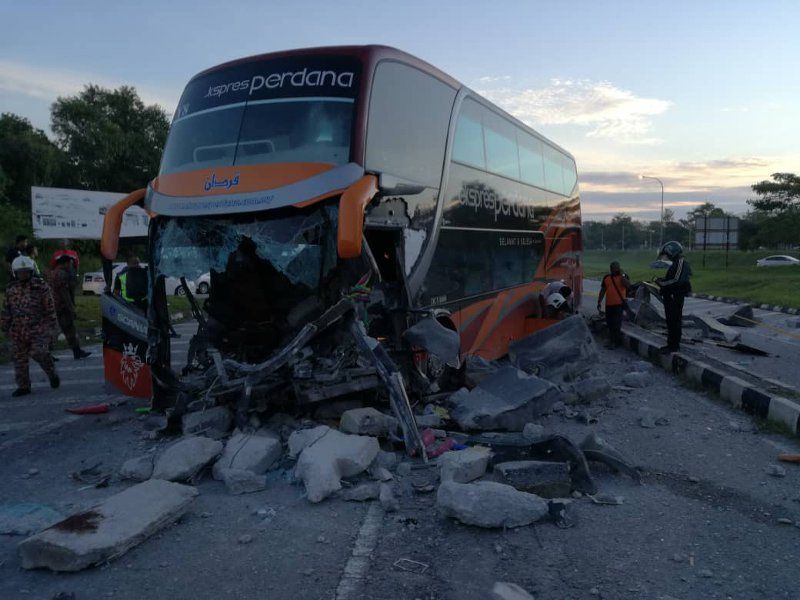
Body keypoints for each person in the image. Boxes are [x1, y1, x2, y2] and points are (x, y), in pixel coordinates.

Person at [1, 256, 60, 397]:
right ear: (15, 273)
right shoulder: (11, 289)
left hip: (38, 328)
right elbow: (6, 309)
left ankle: (51, 373)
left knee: (38, 352)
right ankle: (24, 386)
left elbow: (50, 309)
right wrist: (4, 325)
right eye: (20, 272)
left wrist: (52, 328)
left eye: (26, 271)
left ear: (31, 271)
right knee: (19, 359)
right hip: (18, 330)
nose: (23, 274)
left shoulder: (41, 287)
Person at [51, 255, 92, 360]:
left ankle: (76, 351)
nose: (71, 266)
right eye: (69, 263)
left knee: (63, 329)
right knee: (67, 329)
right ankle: (76, 351)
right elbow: (65, 293)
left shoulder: (54, 272)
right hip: (62, 306)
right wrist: (71, 308)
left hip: (55, 305)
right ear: (64, 263)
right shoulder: (61, 274)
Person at [655, 241, 692, 354]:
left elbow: (676, 280)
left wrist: (661, 283)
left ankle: (673, 346)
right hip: (671, 296)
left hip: (675, 297)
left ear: (672, 252)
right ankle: (671, 344)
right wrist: (663, 280)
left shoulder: (681, 262)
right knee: (671, 321)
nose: (667, 256)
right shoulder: (677, 263)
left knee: (674, 321)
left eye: (668, 254)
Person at [597, 261, 632, 347]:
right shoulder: (607, 278)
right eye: (612, 268)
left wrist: (622, 275)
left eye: (615, 268)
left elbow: (628, 286)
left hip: (619, 305)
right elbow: (603, 290)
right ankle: (613, 340)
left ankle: (615, 342)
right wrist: (599, 301)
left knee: (616, 324)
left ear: (618, 268)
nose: (613, 270)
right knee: (610, 323)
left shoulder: (623, 277)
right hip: (609, 305)